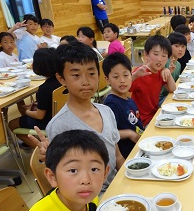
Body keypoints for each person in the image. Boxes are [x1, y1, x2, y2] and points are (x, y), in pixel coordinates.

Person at [46, 41, 124, 191]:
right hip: (90, 198)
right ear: (61, 79)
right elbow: (65, 182)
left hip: (115, 186)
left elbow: (118, 157)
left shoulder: (106, 111)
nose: (86, 82)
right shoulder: (60, 126)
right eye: (76, 75)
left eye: (91, 73)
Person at [8, 48, 61, 148]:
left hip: (48, 122)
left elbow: (40, 115)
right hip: (60, 117)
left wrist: (27, 111)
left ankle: (43, 150)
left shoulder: (44, 88)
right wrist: (35, 105)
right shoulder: (62, 80)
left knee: (12, 123)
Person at [103, 53, 144, 158]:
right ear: (107, 79)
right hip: (129, 155)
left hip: (139, 147)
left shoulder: (129, 100)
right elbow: (108, 133)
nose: (122, 80)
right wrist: (129, 133)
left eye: (126, 75)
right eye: (116, 77)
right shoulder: (111, 104)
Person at [129, 35, 176, 126]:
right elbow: (124, 88)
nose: (159, 59)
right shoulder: (140, 72)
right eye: (155, 54)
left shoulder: (159, 72)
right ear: (146, 55)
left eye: (164, 56)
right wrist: (134, 76)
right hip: (142, 121)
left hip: (155, 115)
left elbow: (172, 88)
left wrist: (167, 72)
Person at [159, 32, 187, 106]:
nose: (180, 49)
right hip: (162, 99)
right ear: (169, 46)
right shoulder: (163, 63)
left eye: (183, 46)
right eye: (176, 46)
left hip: (171, 95)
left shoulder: (178, 64)